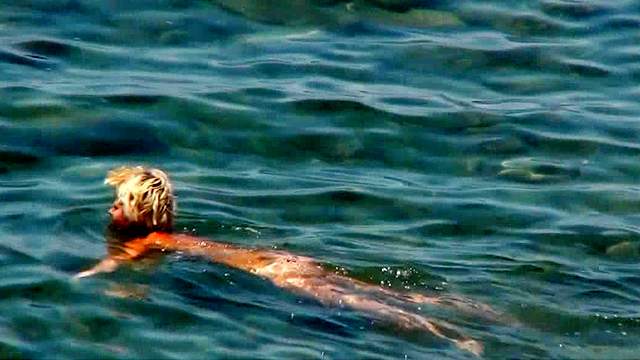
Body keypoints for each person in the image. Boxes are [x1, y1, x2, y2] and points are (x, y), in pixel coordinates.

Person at [76, 166, 496, 356]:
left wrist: (79, 277)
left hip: (273, 272)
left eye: (121, 203)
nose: (113, 210)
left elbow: (111, 267)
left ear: (143, 214)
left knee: (364, 305)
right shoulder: (174, 234)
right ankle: (475, 312)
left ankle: (453, 340)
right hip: (281, 260)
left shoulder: (147, 241)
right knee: (378, 292)